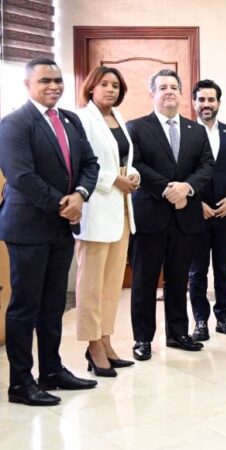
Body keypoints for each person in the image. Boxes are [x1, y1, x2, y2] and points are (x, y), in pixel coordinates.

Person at [0, 57, 100, 406]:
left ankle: (52, 371)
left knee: (53, 304)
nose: (54, 86)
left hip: (61, 227)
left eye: (58, 80)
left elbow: (90, 164)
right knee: (25, 306)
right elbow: (21, 176)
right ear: (27, 84)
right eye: (45, 81)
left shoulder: (70, 119)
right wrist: (63, 204)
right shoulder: (14, 123)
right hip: (28, 227)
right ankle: (20, 382)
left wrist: (81, 194)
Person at [127, 69, 214, 360]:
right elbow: (136, 164)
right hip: (150, 215)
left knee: (178, 279)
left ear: (181, 93)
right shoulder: (136, 127)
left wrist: (186, 187)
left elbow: (207, 166)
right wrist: (167, 189)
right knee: (144, 281)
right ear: (152, 93)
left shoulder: (196, 130)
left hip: (185, 217)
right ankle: (142, 339)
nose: (169, 92)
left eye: (174, 87)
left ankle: (178, 334)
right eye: (163, 87)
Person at [73, 66, 138, 377]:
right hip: (96, 209)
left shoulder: (119, 118)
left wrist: (132, 175)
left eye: (115, 85)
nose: (110, 89)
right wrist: (113, 179)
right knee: (91, 286)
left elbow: (125, 159)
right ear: (91, 87)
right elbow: (81, 164)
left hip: (122, 210)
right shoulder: (82, 119)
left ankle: (107, 341)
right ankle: (93, 345)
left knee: (112, 284)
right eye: (104, 84)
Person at [188, 80, 226, 342]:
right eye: (201, 99)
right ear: (194, 103)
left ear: (219, 103)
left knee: (223, 269)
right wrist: (196, 204)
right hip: (195, 214)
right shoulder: (186, 133)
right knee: (197, 271)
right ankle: (200, 320)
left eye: (211, 99)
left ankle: (224, 316)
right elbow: (181, 173)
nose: (206, 104)